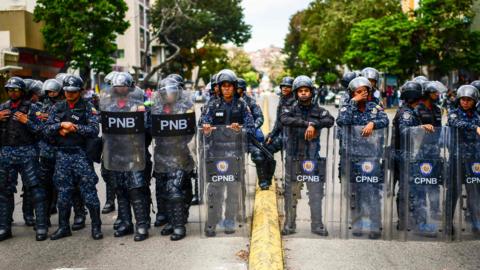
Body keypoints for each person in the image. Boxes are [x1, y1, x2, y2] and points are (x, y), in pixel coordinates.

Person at [44, 74, 103, 240]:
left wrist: (74, 128)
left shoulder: (87, 107)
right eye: (67, 91)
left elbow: (93, 130)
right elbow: (46, 130)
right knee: (63, 194)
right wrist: (60, 126)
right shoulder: (58, 107)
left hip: (81, 154)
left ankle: (96, 227)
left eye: (73, 91)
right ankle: (64, 227)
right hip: (63, 154)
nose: (70, 94)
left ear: (80, 91)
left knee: (89, 192)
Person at [201, 69, 255, 237]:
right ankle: (212, 221)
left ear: (234, 87)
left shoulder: (242, 105)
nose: (226, 89)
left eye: (229, 86)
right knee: (215, 189)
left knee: (233, 189)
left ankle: (229, 219)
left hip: (235, 153)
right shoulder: (211, 105)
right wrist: (207, 129)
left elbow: (251, 126)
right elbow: (202, 123)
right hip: (216, 153)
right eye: (223, 86)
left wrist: (241, 129)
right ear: (219, 87)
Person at [280, 75, 334, 236]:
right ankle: (290, 224)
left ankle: (317, 224)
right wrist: (307, 124)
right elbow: (284, 119)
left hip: (312, 158)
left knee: (316, 192)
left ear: (311, 92)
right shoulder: (289, 109)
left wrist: (315, 124)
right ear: (296, 93)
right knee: (292, 192)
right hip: (293, 156)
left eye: (306, 90)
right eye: (300, 91)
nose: (303, 93)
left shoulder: (319, 110)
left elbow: (330, 120)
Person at [336, 77, 389, 239]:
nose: (363, 94)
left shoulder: (374, 107)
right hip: (352, 156)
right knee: (355, 192)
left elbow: (385, 120)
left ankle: (374, 225)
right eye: (359, 92)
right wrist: (353, 102)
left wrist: (373, 124)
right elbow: (342, 121)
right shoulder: (347, 107)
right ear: (352, 93)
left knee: (372, 192)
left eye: (365, 91)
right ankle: (357, 223)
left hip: (371, 157)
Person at [0, 77, 49, 241]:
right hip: (6, 153)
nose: (12, 92)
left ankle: (41, 226)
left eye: (16, 89)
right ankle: (4, 227)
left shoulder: (33, 108)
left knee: (36, 190)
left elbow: (43, 131)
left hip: (27, 152)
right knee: (4, 191)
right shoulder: (3, 108)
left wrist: (27, 121)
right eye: (10, 90)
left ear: (22, 91)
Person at [151, 77, 195, 240]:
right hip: (162, 154)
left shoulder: (185, 107)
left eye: (172, 92)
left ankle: (179, 226)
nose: (168, 95)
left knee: (174, 189)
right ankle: (172, 220)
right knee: (164, 190)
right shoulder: (156, 108)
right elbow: (150, 129)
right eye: (165, 92)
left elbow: (190, 132)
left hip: (180, 154)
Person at [448, 85, 480, 236]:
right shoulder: (454, 114)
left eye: (469, 100)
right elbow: (455, 124)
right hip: (457, 157)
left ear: (474, 101)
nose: (465, 102)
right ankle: (448, 223)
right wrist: (474, 127)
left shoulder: (477, 116)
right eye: (463, 100)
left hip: (473, 160)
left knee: (474, 192)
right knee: (453, 191)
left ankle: (476, 222)